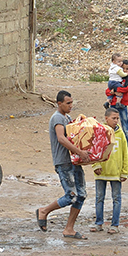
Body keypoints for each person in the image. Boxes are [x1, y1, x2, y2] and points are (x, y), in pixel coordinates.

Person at [36, 90, 90, 239]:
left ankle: (69, 229)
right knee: (71, 195)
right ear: (59, 103)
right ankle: (44, 211)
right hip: (64, 162)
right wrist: (79, 151)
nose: (71, 106)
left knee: (81, 195)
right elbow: (61, 138)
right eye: (68, 103)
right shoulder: (57, 118)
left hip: (73, 161)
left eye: (72, 103)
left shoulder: (67, 117)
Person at [91, 108, 128, 234]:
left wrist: (124, 171)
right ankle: (98, 223)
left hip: (116, 173)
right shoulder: (100, 132)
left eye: (117, 118)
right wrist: (95, 166)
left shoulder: (120, 134)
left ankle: (115, 225)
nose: (116, 121)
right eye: (113, 118)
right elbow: (93, 149)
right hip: (101, 172)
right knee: (99, 198)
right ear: (106, 118)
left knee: (116, 199)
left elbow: (125, 153)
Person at [105, 60, 128, 152]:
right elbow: (107, 91)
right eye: (123, 69)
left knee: (125, 126)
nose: (125, 71)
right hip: (114, 104)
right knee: (111, 125)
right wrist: (113, 91)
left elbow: (126, 89)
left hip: (122, 104)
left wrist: (115, 90)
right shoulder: (117, 78)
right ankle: (110, 143)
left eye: (127, 69)